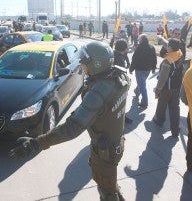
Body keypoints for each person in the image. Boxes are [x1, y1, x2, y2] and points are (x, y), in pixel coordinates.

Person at [9, 41, 130, 201]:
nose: (82, 66)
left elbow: (72, 127)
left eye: (85, 63)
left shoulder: (97, 93)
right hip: (115, 142)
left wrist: (36, 143)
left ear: (96, 64)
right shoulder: (119, 76)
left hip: (105, 151)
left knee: (107, 193)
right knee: (109, 185)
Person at [153, 38, 183, 137]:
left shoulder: (167, 61)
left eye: (168, 46)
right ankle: (175, 130)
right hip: (177, 87)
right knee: (175, 109)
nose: (166, 48)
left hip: (167, 89)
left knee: (161, 105)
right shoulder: (179, 53)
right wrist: (161, 39)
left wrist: (157, 90)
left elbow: (162, 78)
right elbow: (169, 45)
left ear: (170, 48)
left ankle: (159, 121)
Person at [130, 34, 157, 108]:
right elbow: (154, 58)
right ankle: (136, 91)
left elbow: (134, 59)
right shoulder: (152, 47)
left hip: (139, 70)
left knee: (142, 85)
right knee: (141, 83)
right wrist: (153, 68)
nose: (138, 40)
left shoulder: (139, 47)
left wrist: (131, 69)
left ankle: (144, 102)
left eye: (139, 39)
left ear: (141, 40)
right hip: (147, 70)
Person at [114, 39, 133, 124]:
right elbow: (120, 72)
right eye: (127, 47)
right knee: (120, 102)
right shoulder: (118, 57)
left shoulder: (121, 54)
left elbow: (127, 65)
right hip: (119, 84)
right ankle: (121, 119)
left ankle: (122, 117)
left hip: (120, 81)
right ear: (124, 48)